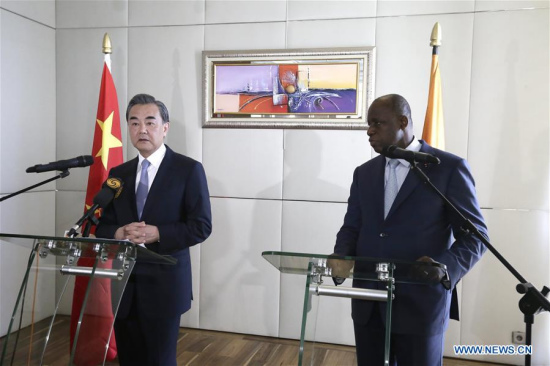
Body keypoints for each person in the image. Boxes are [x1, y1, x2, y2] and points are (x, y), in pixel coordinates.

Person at [333, 94, 488, 365]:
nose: (369, 131)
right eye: (368, 124)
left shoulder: (447, 169)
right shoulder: (364, 173)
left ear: (403, 121)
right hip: (368, 302)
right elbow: (352, 226)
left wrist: (444, 267)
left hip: (421, 302)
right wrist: (341, 256)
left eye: (377, 123)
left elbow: (475, 237)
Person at [96, 93, 212, 366]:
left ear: (165, 127)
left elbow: (201, 226)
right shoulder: (118, 173)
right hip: (124, 286)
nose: (142, 129)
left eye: (150, 122)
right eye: (134, 123)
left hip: (165, 285)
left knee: (159, 361)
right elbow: (101, 225)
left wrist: (159, 232)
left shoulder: (188, 170)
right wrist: (118, 233)